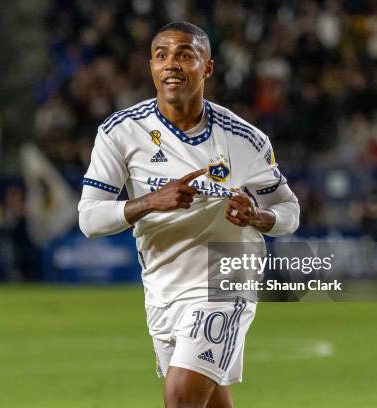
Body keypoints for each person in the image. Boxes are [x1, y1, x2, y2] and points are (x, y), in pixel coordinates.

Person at [78, 22, 299, 408]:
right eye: (161, 55)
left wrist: (258, 218)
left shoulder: (243, 138)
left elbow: (289, 210)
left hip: (226, 278)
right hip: (162, 285)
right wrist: (149, 202)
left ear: (207, 67)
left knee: (181, 398)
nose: (171, 65)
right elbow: (89, 218)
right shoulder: (120, 132)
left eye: (184, 54)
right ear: (150, 67)